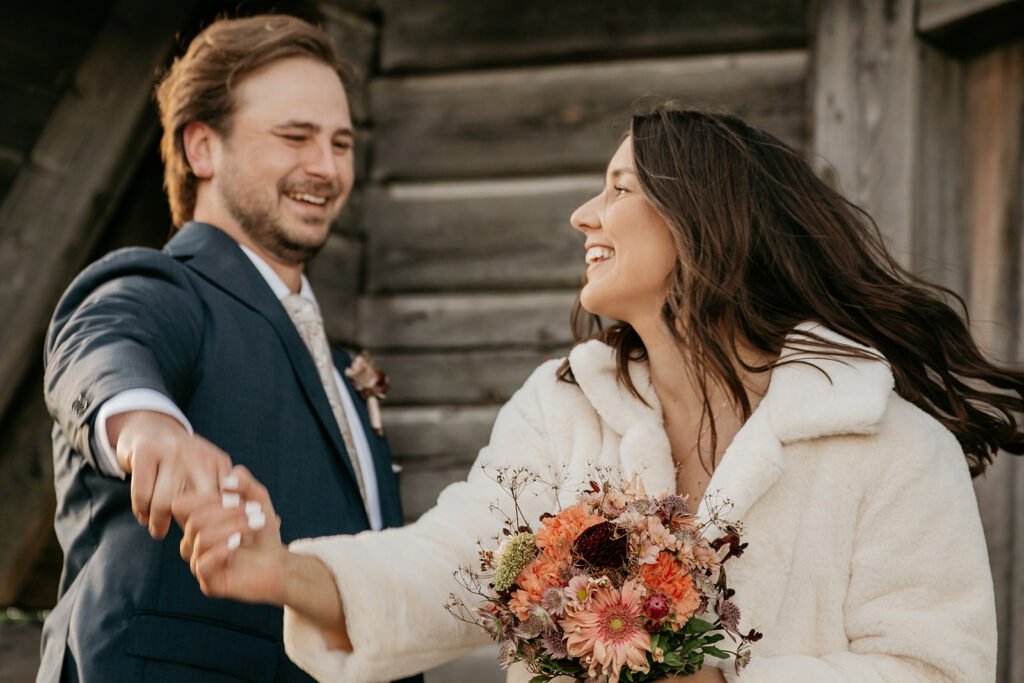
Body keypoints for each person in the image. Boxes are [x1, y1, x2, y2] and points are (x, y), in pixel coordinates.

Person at [176, 107, 1022, 682]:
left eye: (620, 188)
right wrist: (287, 571)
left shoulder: (893, 447)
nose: (585, 214)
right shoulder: (563, 408)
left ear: (704, 221)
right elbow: (454, 566)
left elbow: (931, 669)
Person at [39, 15, 422, 683]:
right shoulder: (168, 287)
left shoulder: (337, 367)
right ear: (202, 150)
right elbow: (102, 339)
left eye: (341, 143)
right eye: (294, 137)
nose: (326, 168)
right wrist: (148, 427)